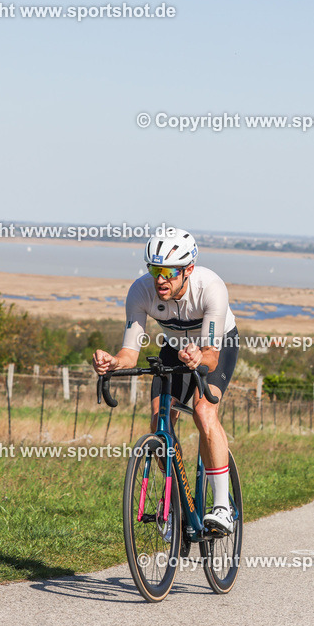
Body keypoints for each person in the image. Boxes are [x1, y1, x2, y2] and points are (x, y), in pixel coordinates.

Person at [92, 227, 239, 534]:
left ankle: (223, 507)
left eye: (169, 272)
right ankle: (171, 499)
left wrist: (199, 358)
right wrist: (114, 362)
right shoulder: (140, 291)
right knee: (160, 419)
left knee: (204, 411)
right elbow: (129, 353)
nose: (160, 280)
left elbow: (211, 356)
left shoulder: (211, 288)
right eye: (155, 270)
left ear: (188, 270)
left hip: (215, 347)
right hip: (174, 349)